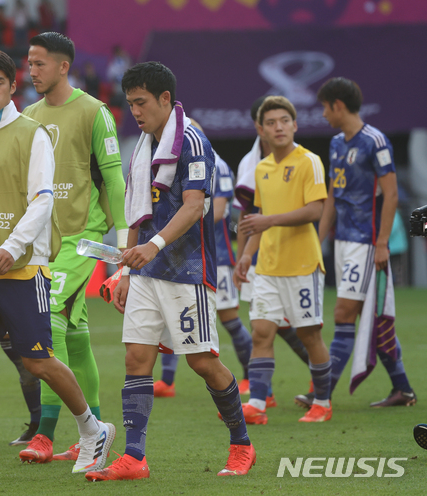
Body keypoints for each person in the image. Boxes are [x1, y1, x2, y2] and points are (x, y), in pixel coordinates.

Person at [0, 50, 115, 481]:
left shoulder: (33, 134)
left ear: (13, 87)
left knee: (38, 361)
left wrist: (13, 246)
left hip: (23, 267)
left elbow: (43, 199)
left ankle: (93, 429)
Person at [84, 62, 255, 482]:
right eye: (130, 104)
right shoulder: (144, 145)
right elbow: (136, 212)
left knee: (202, 361)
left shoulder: (192, 141)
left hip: (187, 271)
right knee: (136, 357)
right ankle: (134, 457)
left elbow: (195, 207)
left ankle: (242, 444)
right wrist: (124, 273)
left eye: (141, 102)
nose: (135, 112)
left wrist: (153, 246)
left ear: (165, 99)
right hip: (145, 271)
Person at [17, 32, 127, 464]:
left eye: (39, 63)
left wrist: (123, 242)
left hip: (84, 238)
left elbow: (114, 179)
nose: (31, 71)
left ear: (63, 66)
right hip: (43, 243)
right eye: (29, 63)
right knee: (76, 338)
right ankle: (91, 434)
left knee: (47, 325)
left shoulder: (94, 112)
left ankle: (45, 434)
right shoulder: (28, 117)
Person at [298, 77, 416, 408]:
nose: (323, 114)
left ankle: (321, 392)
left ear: (338, 105)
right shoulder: (337, 143)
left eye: (325, 107)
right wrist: (317, 240)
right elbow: (332, 196)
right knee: (372, 319)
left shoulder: (375, 141)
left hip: (366, 242)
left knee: (344, 313)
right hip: (343, 242)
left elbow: (391, 194)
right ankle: (403, 389)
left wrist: (382, 243)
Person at [234, 95, 332, 424]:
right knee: (261, 332)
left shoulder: (309, 161)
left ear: (295, 125)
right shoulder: (261, 169)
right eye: (271, 123)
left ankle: (323, 402)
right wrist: (247, 256)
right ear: (261, 130)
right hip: (267, 268)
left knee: (309, 335)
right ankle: (257, 405)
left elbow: (315, 210)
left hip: (303, 266)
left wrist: (269, 220)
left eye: (285, 121)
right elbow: (260, 219)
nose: (279, 127)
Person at [153, 151, 253, 399]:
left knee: (230, 319)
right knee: (175, 315)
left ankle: (252, 377)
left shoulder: (218, 164)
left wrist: (179, 220)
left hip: (215, 257)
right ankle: (167, 381)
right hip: (183, 256)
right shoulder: (174, 161)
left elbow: (218, 211)